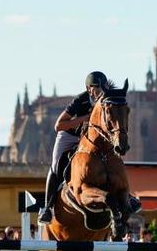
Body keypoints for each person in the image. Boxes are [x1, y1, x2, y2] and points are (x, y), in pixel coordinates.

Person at [38, 71, 108, 224]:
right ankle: (47, 208)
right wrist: (84, 118)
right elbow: (59, 125)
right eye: (98, 89)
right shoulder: (80, 101)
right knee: (56, 167)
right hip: (69, 137)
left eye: (103, 88)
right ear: (89, 89)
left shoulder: (105, 101)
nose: (101, 92)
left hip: (90, 139)